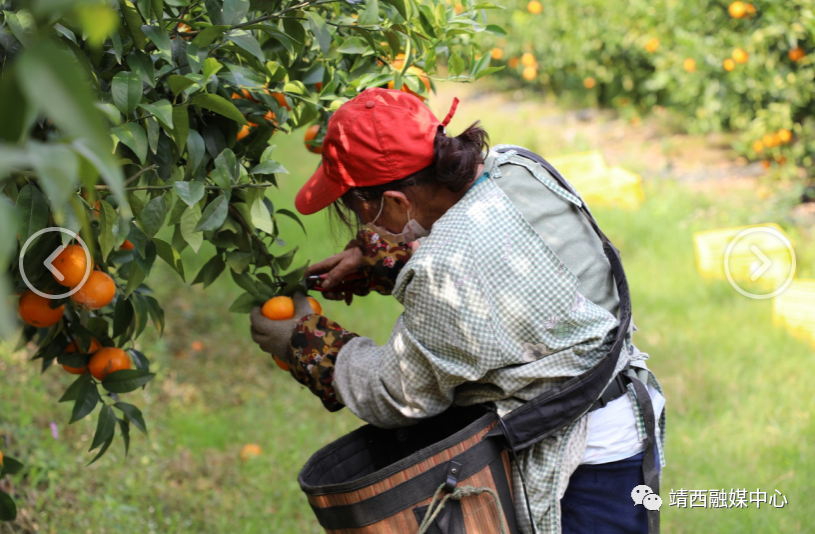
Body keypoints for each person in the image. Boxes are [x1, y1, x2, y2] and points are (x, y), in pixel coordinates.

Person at [249, 87, 667, 534]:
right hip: (624, 420)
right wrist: (382, 259)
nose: (363, 227)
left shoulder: (445, 267)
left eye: (360, 213)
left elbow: (396, 393)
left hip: (583, 465)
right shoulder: (516, 166)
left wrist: (305, 342)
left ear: (394, 201)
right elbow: (513, 265)